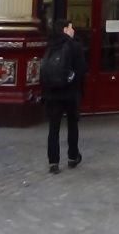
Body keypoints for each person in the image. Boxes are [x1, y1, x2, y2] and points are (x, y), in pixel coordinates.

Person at [41, 19, 87, 174]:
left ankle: (53, 162)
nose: (73, 30)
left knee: (53, 128)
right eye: (71, 27)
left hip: (53, 93)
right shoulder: (74, 46)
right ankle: (73, 157)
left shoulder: (51, 46)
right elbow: (81, 69)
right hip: (70, 93)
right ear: (65, 30)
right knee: (72, 125)